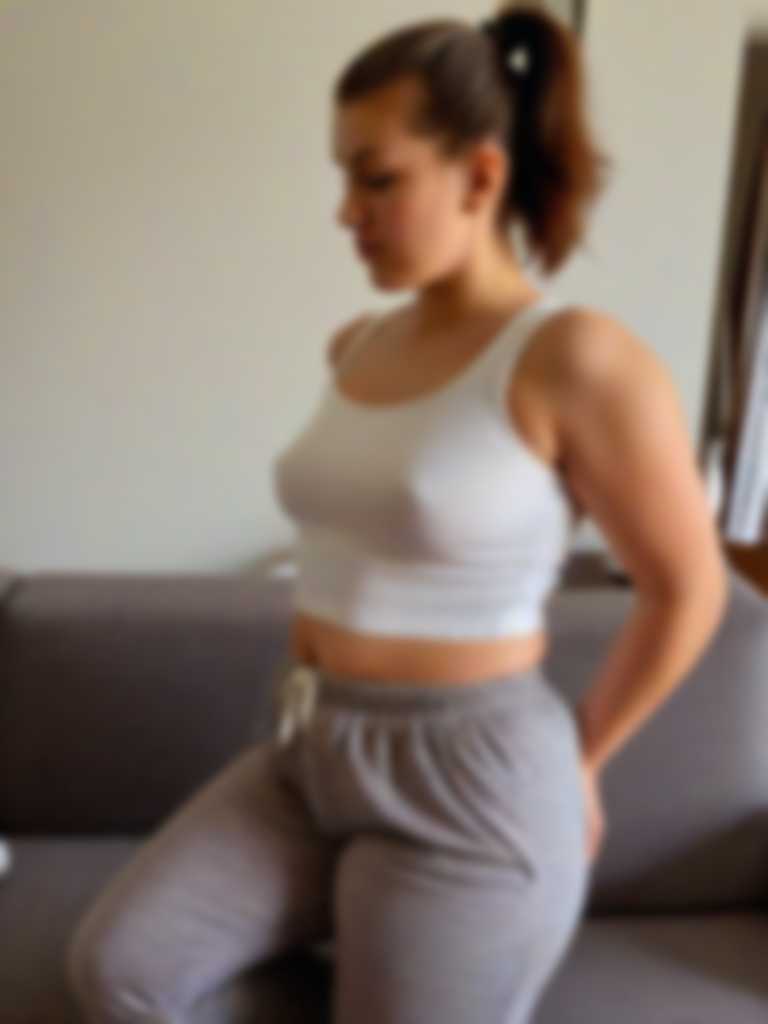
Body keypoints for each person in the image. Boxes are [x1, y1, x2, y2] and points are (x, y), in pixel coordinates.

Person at [66, 5, 728, 1023]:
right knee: (120, 972)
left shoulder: (576, 359)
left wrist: (582, 760)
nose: (346, 212)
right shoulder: (357, 346)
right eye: (344, 177)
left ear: (480, 176)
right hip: (306, 744)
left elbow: (688, 590)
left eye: (377, 179)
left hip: (472, 780)